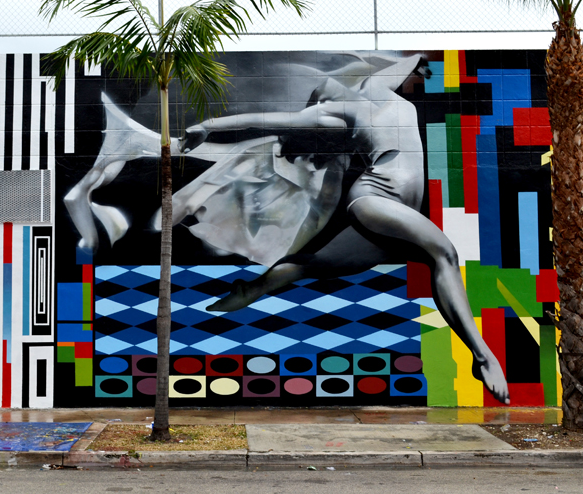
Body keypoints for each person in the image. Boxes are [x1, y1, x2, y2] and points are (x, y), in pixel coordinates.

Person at [179, 53, 510, 404]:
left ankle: (250, 290)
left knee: (314, 264)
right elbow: (265, 121)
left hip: (398, 212)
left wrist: (417, 61)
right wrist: (208, 125)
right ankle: (483, 357)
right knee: (443, 254)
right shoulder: (336, 113)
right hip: (374, 199)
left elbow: (399, 68)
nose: (330, 84)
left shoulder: (378, 90)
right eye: (324, 89)